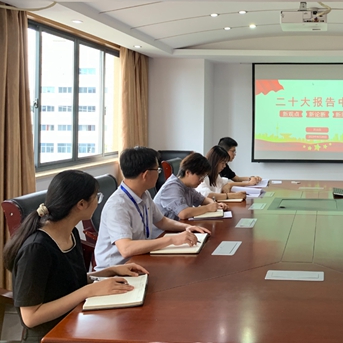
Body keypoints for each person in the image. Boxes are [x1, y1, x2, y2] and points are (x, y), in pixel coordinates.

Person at [3, 170, 149, 343]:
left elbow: (64, 282)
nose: (98, 202)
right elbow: (30, 317)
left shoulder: (71, 233)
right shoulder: (36, 249)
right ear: (81, 204)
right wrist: (89, 290)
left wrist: (109, 271)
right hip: (51, 335)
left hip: (75, 320)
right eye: (96, 197)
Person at [94, 146, 210, 271]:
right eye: (157, 170)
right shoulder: (118, 206)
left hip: (141, 260)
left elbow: (162, 221)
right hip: (116, 270)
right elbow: (126, 249)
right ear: (146, 174)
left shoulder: (144, 194)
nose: (159, 173)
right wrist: (172, 239)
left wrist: (186, 227)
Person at [154, 152, 228, 221]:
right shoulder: (172, 187)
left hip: (179, 226)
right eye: (200, 177)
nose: (202, 180)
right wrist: (208, 208)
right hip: (164, 230)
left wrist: (214, 204)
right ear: (188, 172)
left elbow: (202, 200)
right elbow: (183, 213)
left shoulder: (187, 186)